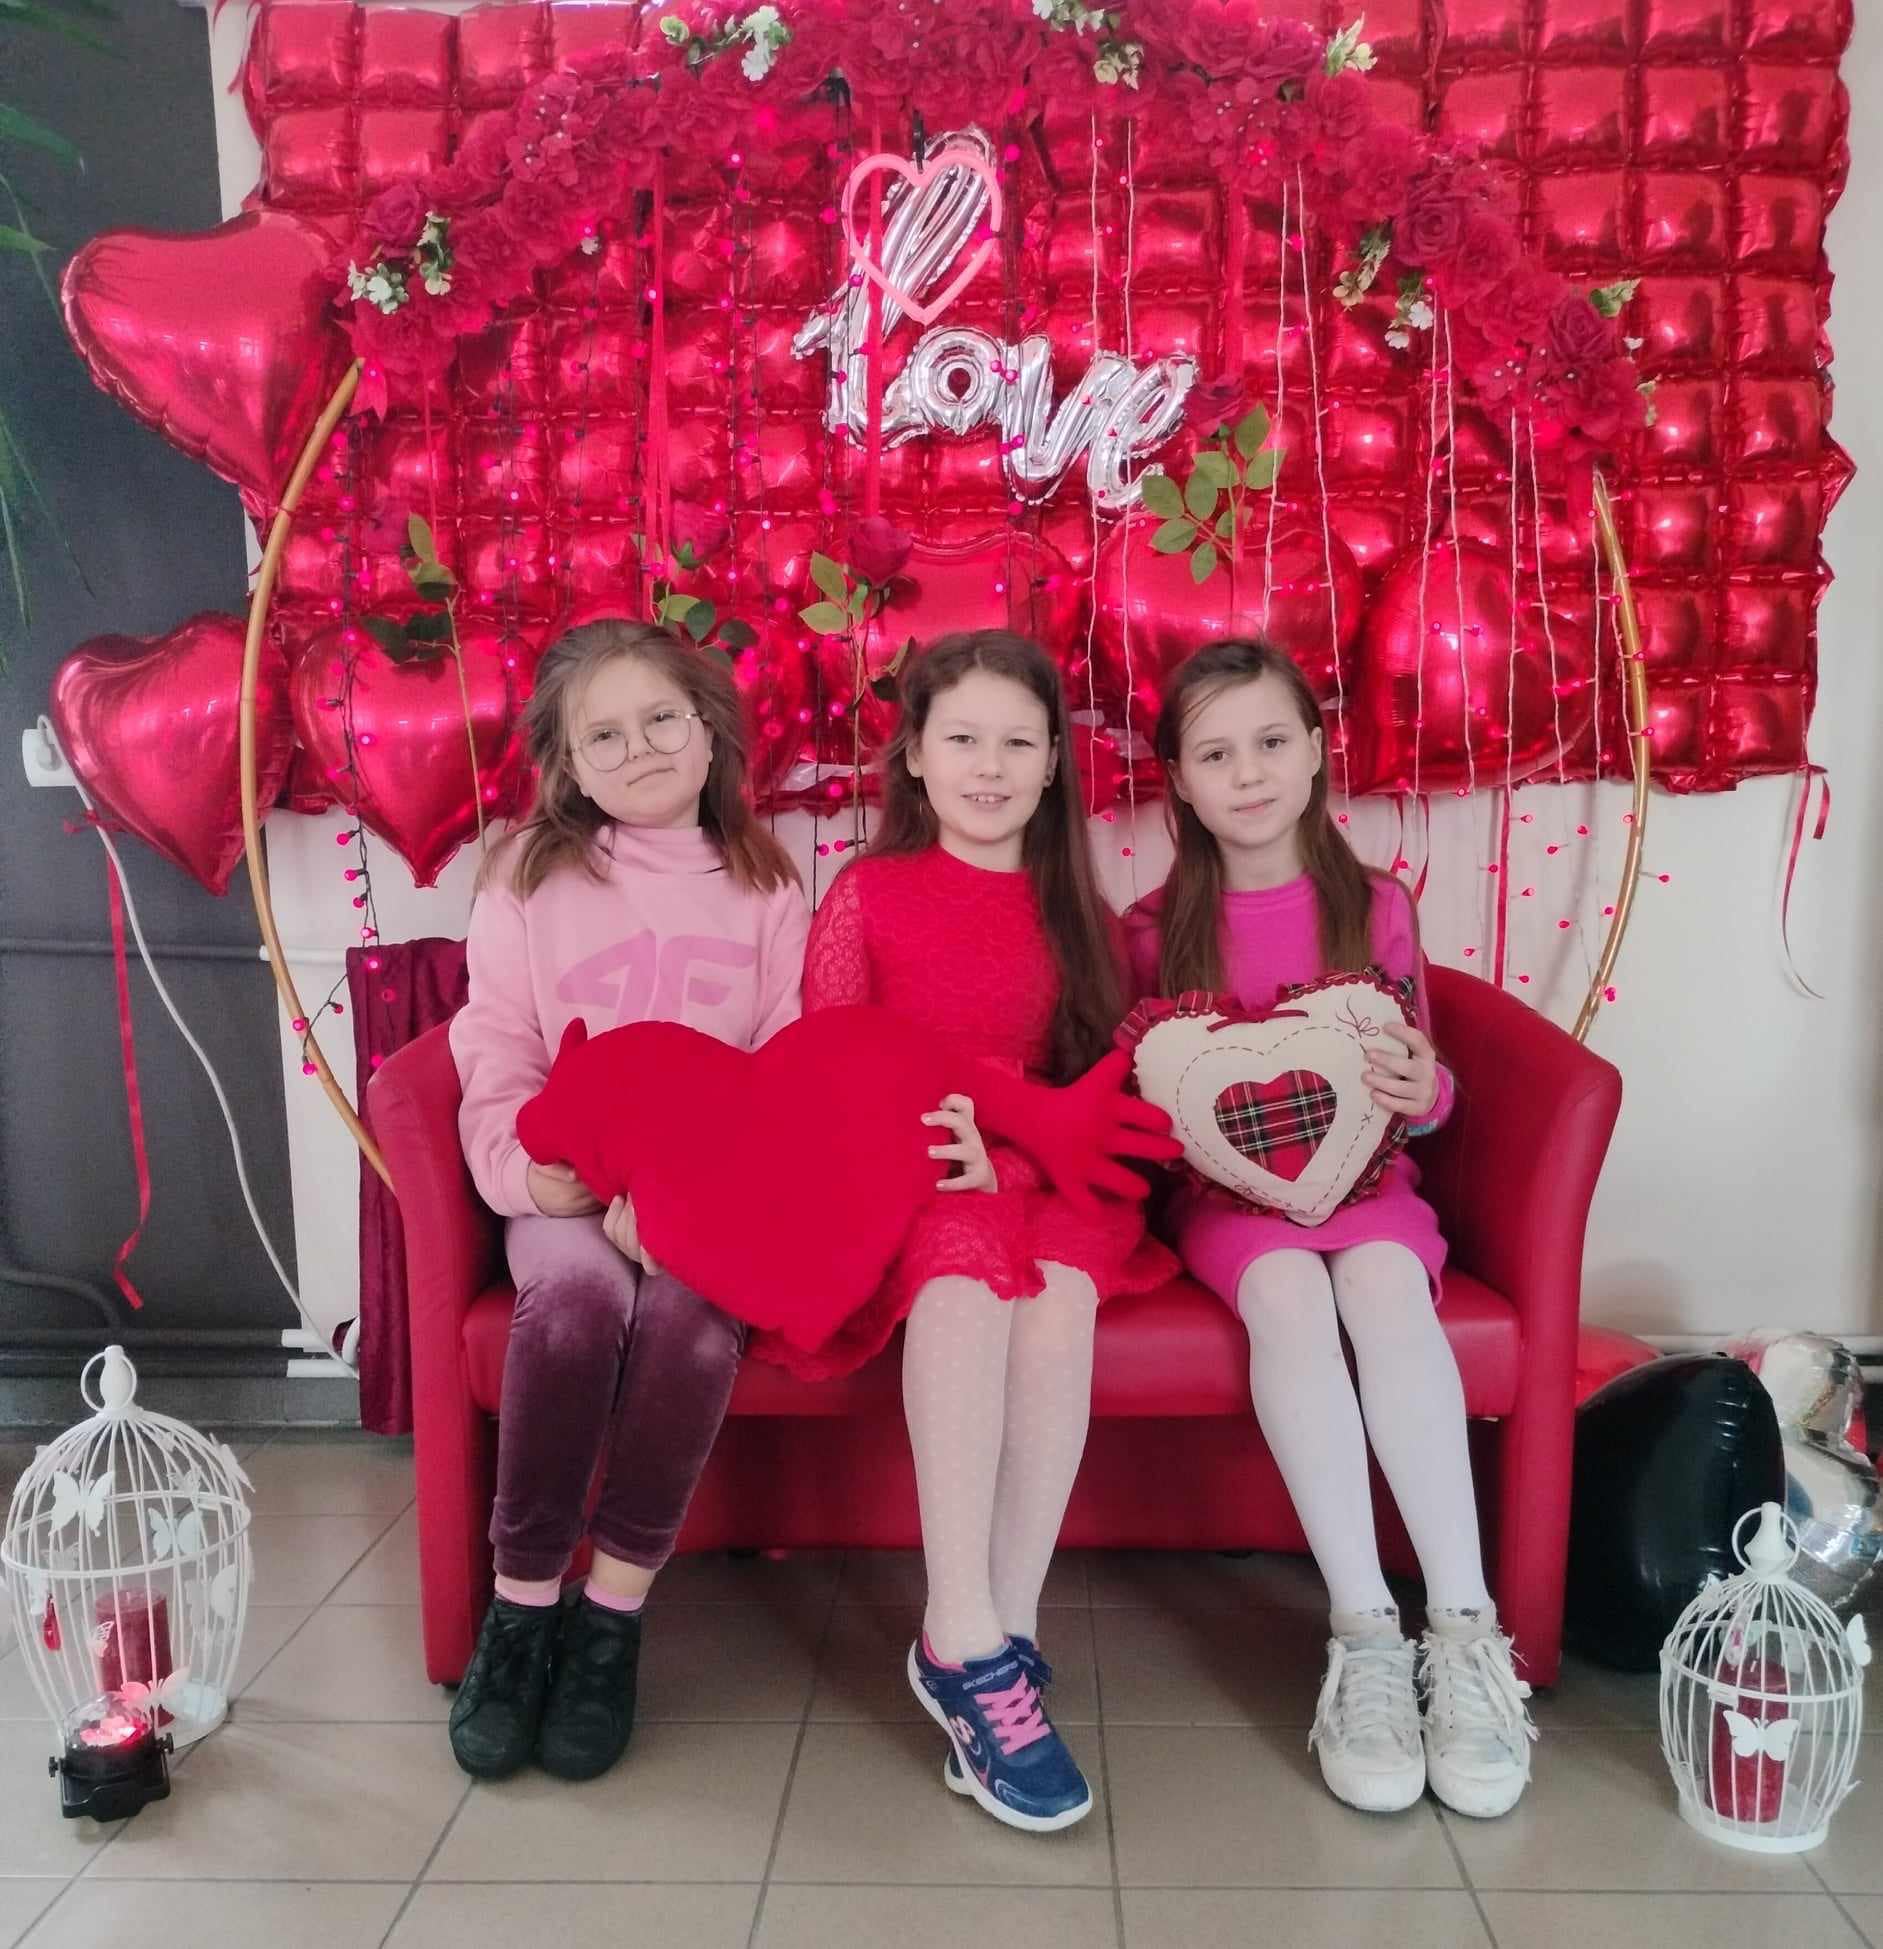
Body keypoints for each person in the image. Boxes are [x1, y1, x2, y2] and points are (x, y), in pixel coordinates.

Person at [1124, 637, 1536, 1819]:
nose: (1247, 772)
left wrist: (1426, 1087)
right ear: (1179, 780)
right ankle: (1363, 1634)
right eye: (1214, 753)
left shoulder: (1376, 904)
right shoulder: (1148, 929)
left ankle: (1462, 1628)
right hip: (1229, 1205)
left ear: (1313, 750)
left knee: (1382, 1288)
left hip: (1368, 1186)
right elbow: (1142, 1109)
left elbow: (1424, 1084)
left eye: (1269, 741)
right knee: (1288, 1295)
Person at [800, 629, 1176, 1833]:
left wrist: (1024, 1139)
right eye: (960, 738)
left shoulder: (1078, 910)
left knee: (1057, 1308)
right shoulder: (866, 894)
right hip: (917, 1168)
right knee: (964, 1284)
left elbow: (1094, 1085)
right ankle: (957, 1630)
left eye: (1018, 742)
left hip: (1049, 1178)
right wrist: (950, 1135)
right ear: (913, 754)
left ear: (1054, 762)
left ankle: (999, 1639)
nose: (989, 765)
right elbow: (833, 1058)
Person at [446, 619, 808, 1782]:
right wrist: (526, 1171)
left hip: (708, 1195)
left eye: (661, 718)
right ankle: (520, 1613)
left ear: (708, 730)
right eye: (603, 734)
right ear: (567, 762)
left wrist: (693, 1198)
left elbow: (784, 1069)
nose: (640, 746)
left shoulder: (768, 881)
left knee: (692, 1318)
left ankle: (609, 1619)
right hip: (562, 1180)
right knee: (573, 1305)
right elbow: (496, 1046)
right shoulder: (527, 875)